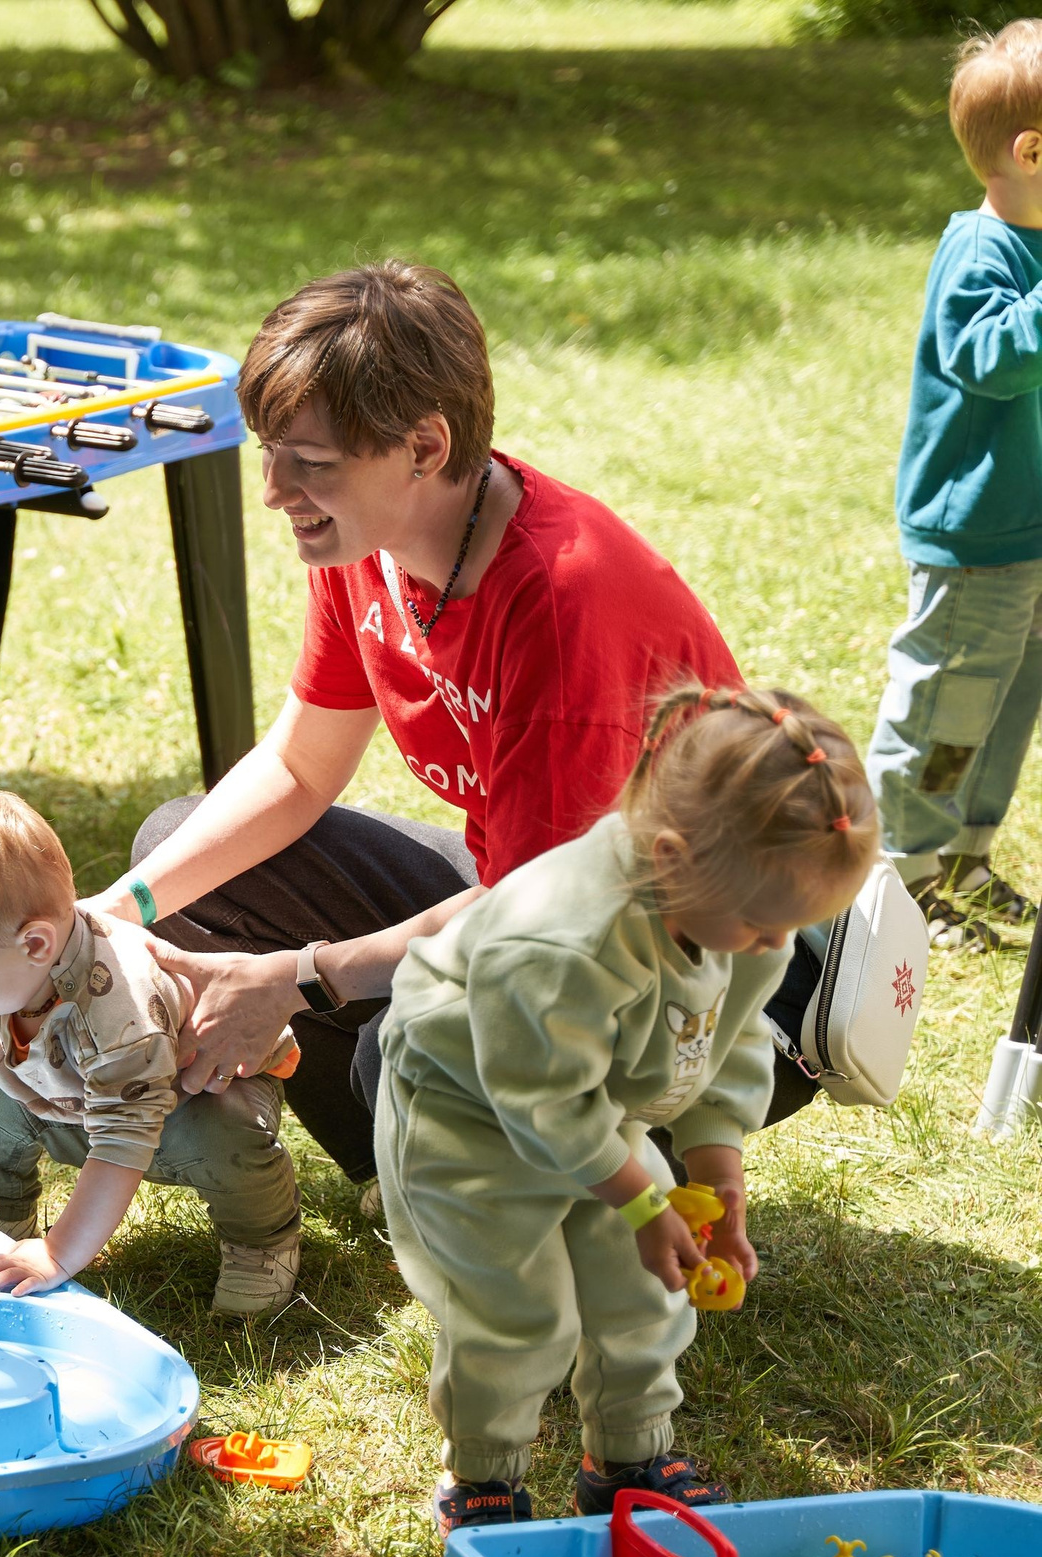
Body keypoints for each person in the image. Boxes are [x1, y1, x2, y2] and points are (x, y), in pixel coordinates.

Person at [86, 263, 775, 1209]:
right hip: (532, 888)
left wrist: (298, 978)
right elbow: (297, 766)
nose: (275, 490)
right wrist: (116, 910)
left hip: (691, 962)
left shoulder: (567, 606)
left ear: (423, 447)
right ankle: (418, 1167)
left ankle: (557, 1173)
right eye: (270, 452)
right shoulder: (365, 538)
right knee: (175, 856)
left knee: (405, 1036)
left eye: (310, 462)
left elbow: (540, 917)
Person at [379, 685, 876, 1532]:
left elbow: (732, 1031)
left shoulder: (742, 916)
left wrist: (717, 1168)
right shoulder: (563, 938)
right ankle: (485, 1474)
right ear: (676, 856)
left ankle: (630, 1455)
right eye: (762, 927)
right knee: (513, 1306)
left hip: (594, 1110)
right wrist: (643, 1200)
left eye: (788, 931)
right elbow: (539, 1099)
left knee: (646, 1290)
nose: (770, 948)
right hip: (474, 1116)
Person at [0, 788, 306, 1315]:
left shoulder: (120, 1018)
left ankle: (262, 1239)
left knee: (223, 1132)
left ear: (36, 946)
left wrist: (56, 1255)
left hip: (188, 1093)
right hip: (72, 1096)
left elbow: (124, 1143)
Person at [865, 21, 1042, 952]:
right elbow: (995, 361)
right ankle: (905, 877)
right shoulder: (982, 254)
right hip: (976, 536)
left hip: (1032, 533)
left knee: (1009, 701)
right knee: (943, 708)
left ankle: (966, 857)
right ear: (1032, 150)